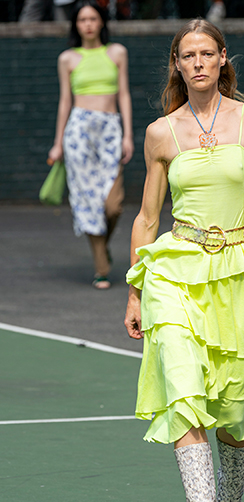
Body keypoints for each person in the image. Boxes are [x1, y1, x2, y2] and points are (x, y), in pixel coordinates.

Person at [124, 18, 244, 502]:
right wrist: (136, 293)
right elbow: (147, 218)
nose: (197, 63)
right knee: (184, 394)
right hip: (174, 270)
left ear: (222, 58)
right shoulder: (160, 133)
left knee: (233, 415)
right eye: (187, 55)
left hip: (238, 272)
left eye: (206, 53)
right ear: (177, 63)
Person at [48, 0, 134, 289]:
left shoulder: (117, 52)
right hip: (79, 132)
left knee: (113, 206)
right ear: (76, 25)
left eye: (93, 18)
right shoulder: (67, 58)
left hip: (109, 129)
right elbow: (64, 101)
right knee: (88, 202)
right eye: (82, 19)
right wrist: (58, 143)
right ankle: (101, 267)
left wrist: (127, 135)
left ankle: (101, 249)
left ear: (101, 22)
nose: (88, 24)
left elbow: (124, 94)